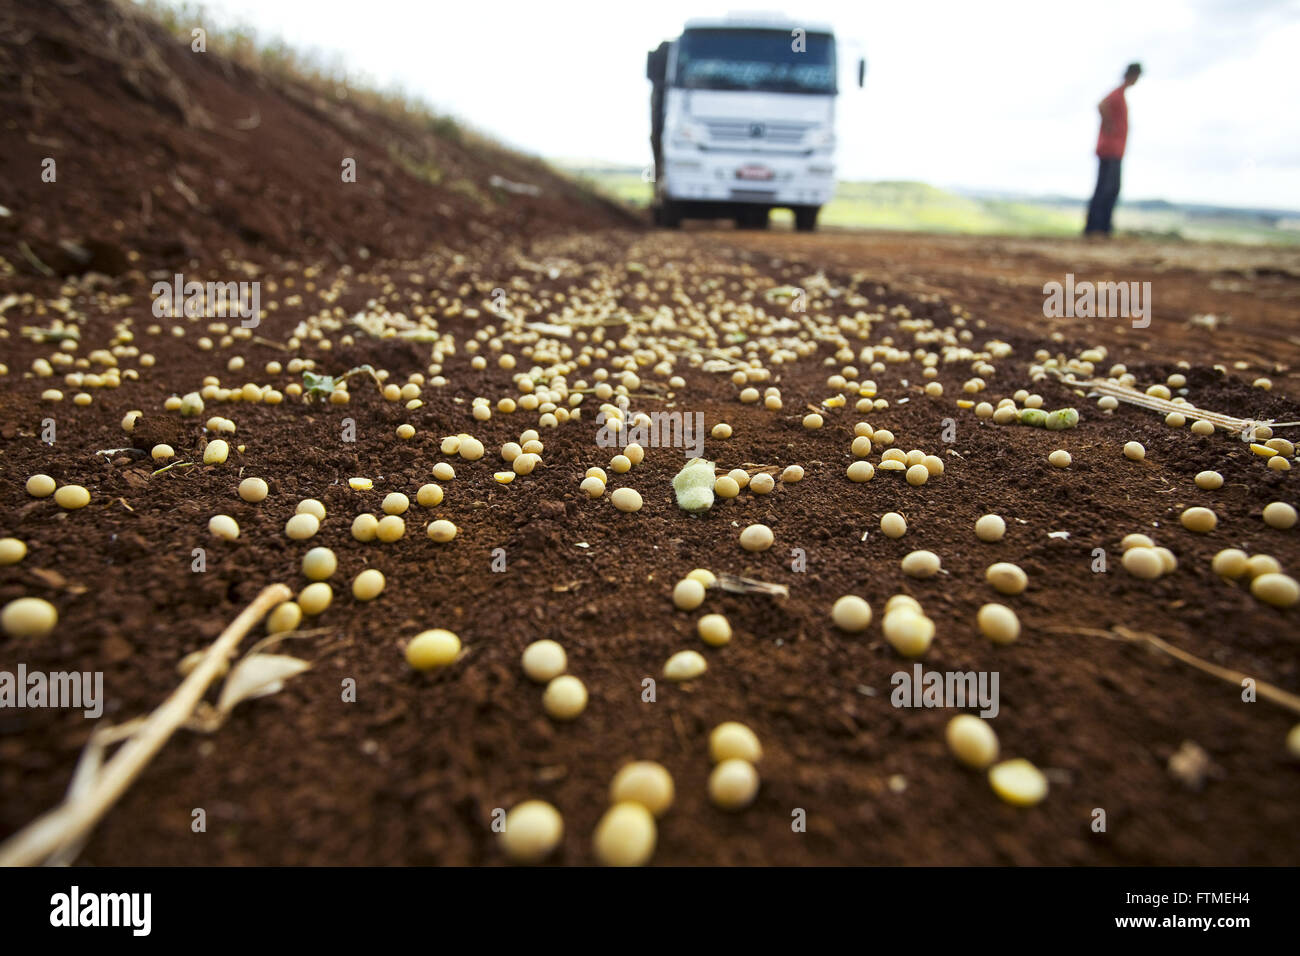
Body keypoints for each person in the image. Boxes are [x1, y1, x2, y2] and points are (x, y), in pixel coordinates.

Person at [1084, 63, 1141, 237]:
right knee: (1108, 189)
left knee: (1108, 188)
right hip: (1110, 149)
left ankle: (1099, 228)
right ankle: (1098, 228)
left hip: (1114, 149)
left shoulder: (1120, 95)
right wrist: (1109, 126)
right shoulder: (1117, 94)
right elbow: (1101, 105)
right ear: (1132, 75)